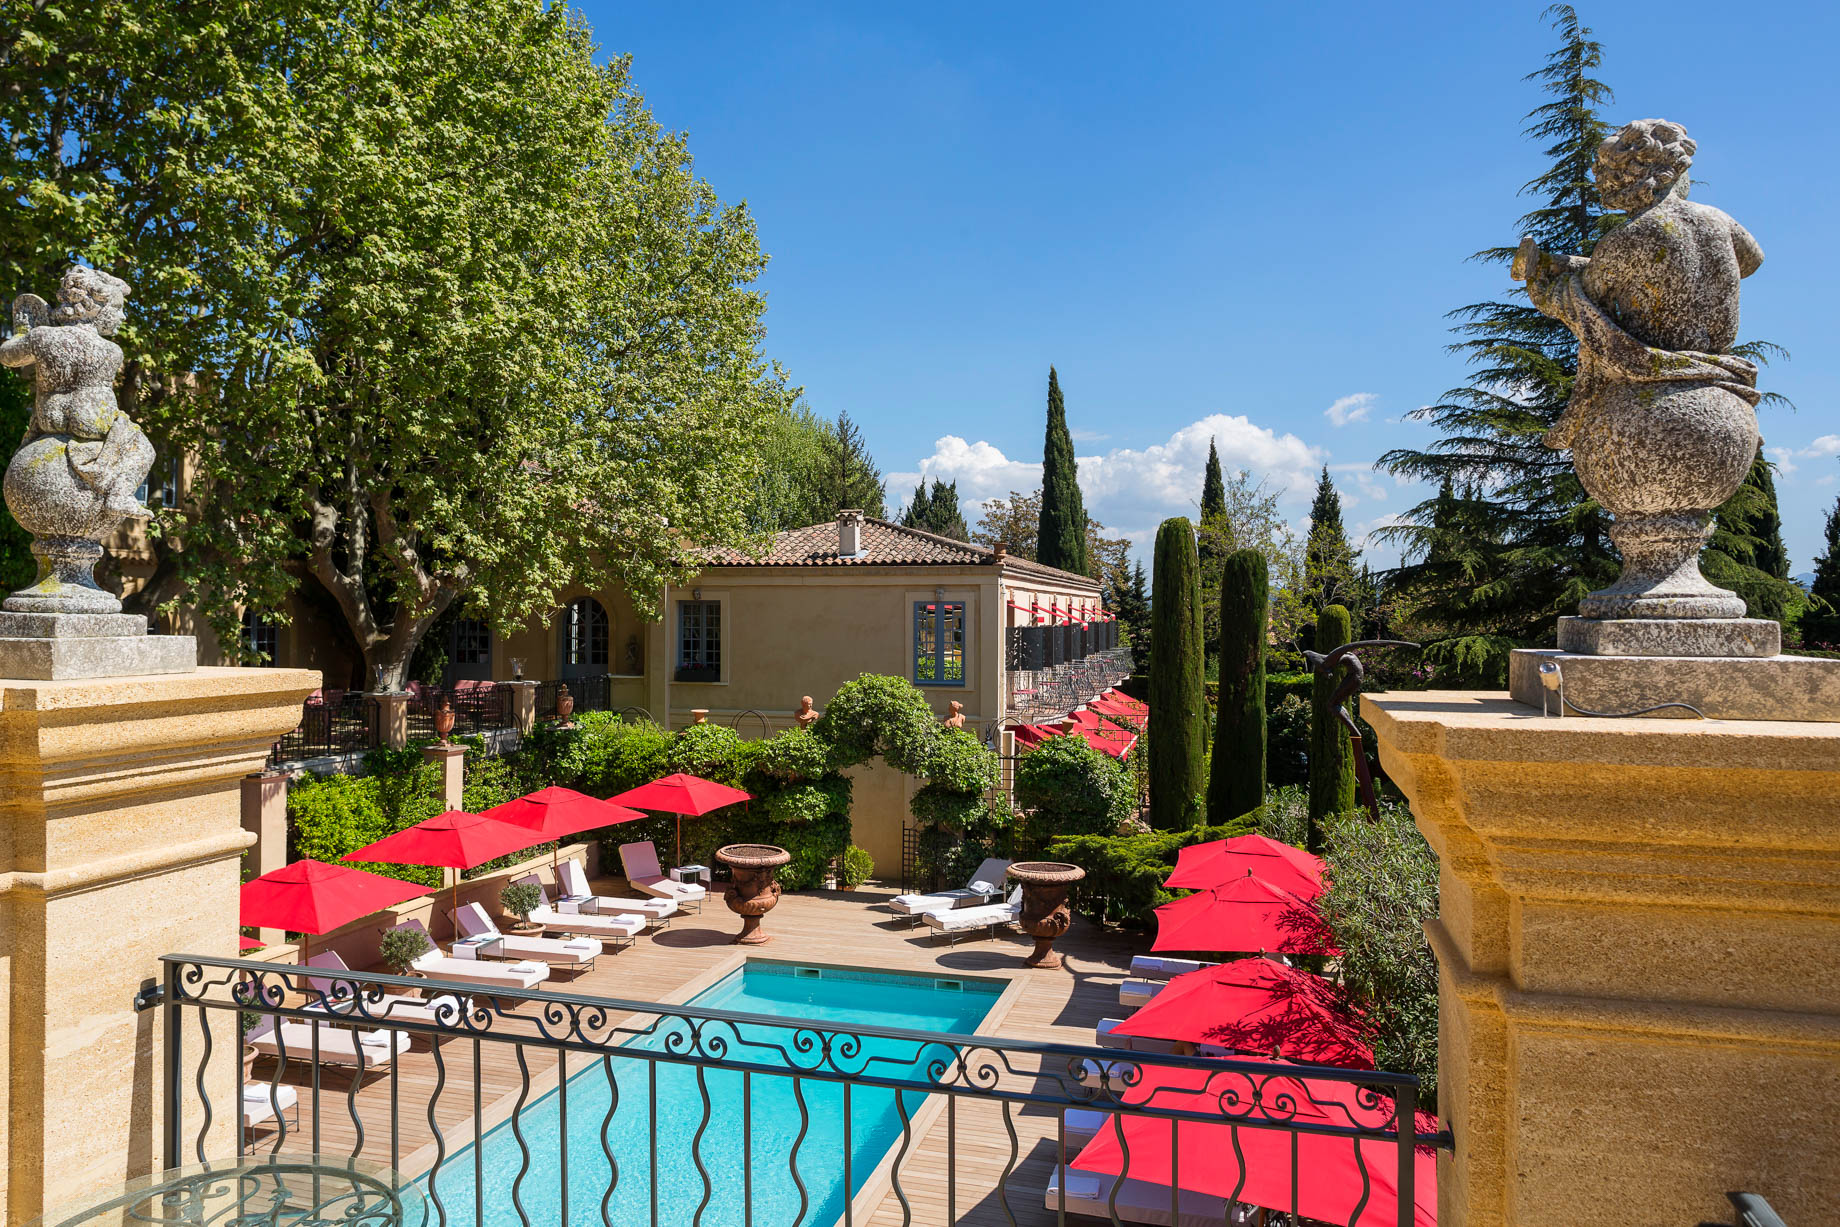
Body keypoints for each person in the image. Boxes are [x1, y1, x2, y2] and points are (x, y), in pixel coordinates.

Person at [2, 266, 154, 518]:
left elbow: (7, 356)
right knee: (144, 448)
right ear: (94, 308)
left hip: (50, 420)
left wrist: (23, 331)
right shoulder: (111, 350)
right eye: (116, 309)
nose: (122, 317)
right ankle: (119, 494)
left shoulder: (42, 337)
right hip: (92, 423)